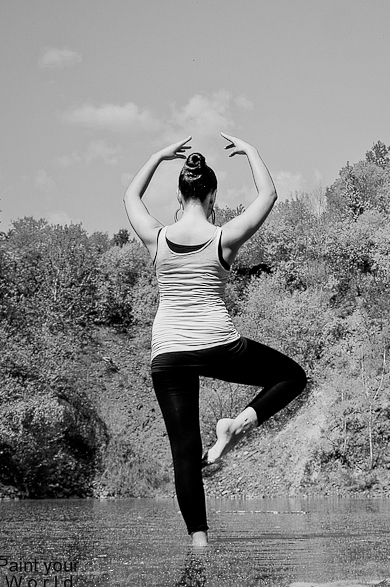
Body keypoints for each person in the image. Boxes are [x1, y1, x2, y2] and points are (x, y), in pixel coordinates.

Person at [123, 133, 307, 547]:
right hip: (217, 345)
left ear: (180, 192)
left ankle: (199, 544)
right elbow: (269, 194)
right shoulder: (224, 237)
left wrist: (157, 155)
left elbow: (130, 196)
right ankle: (236, 425)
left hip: (168, 353)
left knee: (184, 452)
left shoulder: (156, 237)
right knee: (291, 378)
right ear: (212, 197)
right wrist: (253, 152)